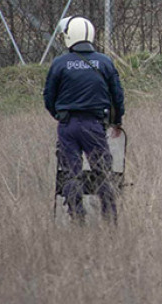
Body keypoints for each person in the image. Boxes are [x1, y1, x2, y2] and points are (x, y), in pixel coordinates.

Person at [44, 16, 124, 223]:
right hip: (94, 126)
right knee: (103, 172)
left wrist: (60, 117)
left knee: (71, 173)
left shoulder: (59, 64)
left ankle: (77, 217)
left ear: (69, 36)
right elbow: (117, 95)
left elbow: (48, 97)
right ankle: (110, 219)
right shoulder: (105, 62)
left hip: (67, 126)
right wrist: (117, 122)